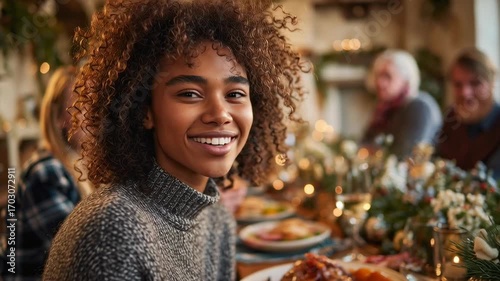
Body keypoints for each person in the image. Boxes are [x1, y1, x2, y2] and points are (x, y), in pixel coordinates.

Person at [43, 0, 307, 280]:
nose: (220, 115)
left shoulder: (217, 220)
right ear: (145, 110)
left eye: (235, 95)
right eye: (190, 94)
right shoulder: (111, 229)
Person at [0, 66, 93, 281]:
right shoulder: (47, 173)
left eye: (94, 103)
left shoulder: (76, 167)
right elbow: (79, 253)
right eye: (81, 105)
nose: (93, 114)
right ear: (59, 117)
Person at [362, 49, 442, 159]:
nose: (380, 83)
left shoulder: (418, 107)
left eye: (387, 76)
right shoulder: (384, 110)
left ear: (406, 79)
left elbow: (406, 155)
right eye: (378, 76)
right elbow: (363, 145)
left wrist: (373, 153)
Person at [436, 48, 500, 179]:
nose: (465, 93)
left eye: (475, 83)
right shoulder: (451, 119)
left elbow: (491, 186)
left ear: (492, 83)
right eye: (458, 85)